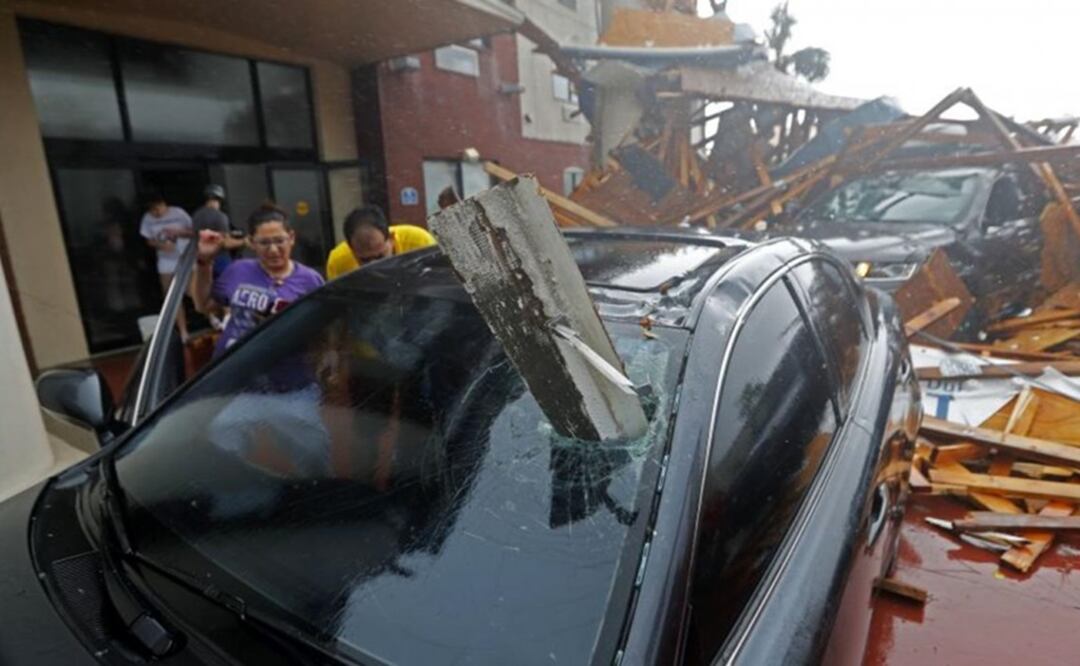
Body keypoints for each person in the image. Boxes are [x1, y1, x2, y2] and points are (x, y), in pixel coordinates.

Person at [192, 202, 324, 358]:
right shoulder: (237, 270)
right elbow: (203, 305)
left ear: (291, 238)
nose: (273, 250)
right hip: (235, 369)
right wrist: (204, 263)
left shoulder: (311, 280)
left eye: (279, 241)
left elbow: (322, 330)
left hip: (287, 371)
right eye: (264, 243)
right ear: (252, 242)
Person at [325, 205, 436, 280]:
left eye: (380, 257)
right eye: (365, 260)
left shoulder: (420, 243)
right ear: (351, 249)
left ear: (391, 238)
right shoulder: (338, 262)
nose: (374, 266)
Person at [140, 191, 193, 341]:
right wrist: (160, 245)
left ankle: (213, 315)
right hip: (165, 260)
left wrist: (179, 232)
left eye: (157, 209)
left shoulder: (178, 213)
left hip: (184, 257)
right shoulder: (147, 219)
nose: (156, 213)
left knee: (191, 290)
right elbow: (148, 240)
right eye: (152, 210)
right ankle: (183, 331)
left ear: (164, 204)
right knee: (171, 295)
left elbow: (194, 232)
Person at [191, 184, 245, 277]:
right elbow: (226, 242)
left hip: (202, 258)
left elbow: (195, 233)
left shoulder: (197, 214)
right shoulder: (220, 216)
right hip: (220, 257)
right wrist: (244, 241)